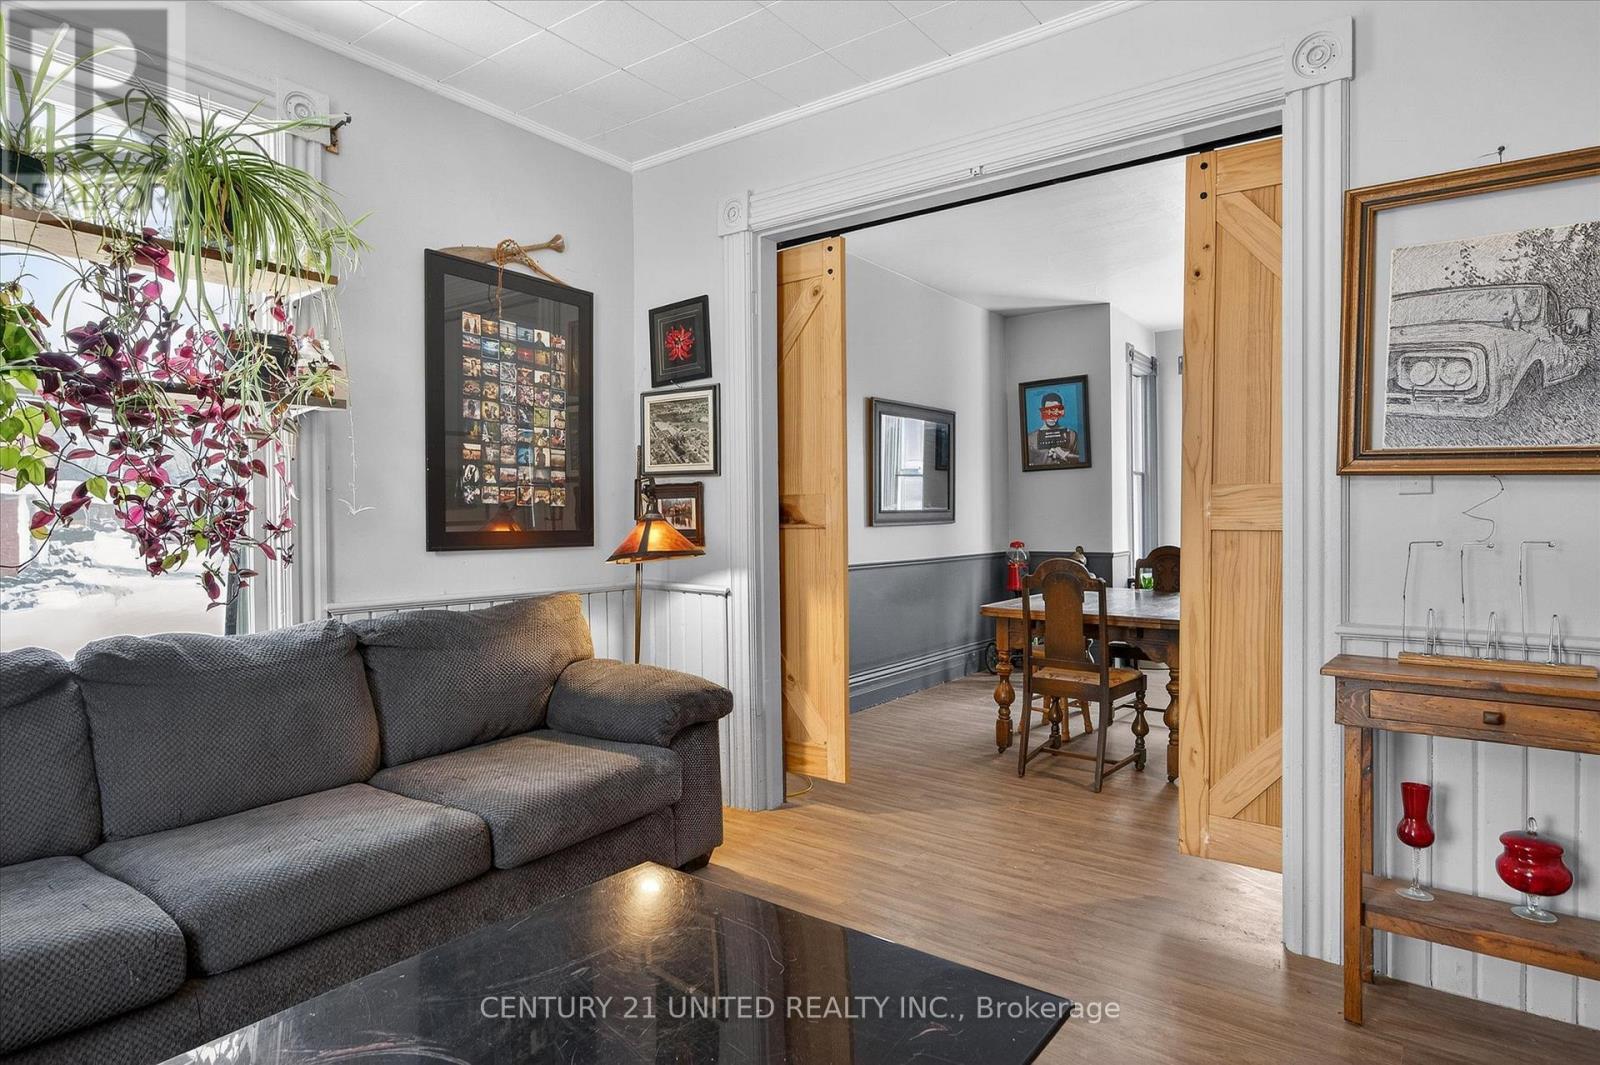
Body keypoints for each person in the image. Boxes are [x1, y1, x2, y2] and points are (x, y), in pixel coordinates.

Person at [1027, 391, 1081, 465]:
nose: (1052, 416)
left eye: (1055, 411)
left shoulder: (1072, 435)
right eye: (1048, 411)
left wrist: (1066, 455)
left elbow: (1081, 461)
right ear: (1042, 412)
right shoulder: (1030, 439)